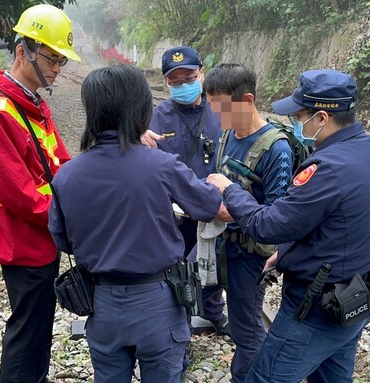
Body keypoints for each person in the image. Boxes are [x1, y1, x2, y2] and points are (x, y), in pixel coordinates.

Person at [207, 69, 370, 383]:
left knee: (266, 378)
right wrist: (288, 251)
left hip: (318, 308)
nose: (295, 121)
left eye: (299, 114)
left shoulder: (327, 168)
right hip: (359, 296)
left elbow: (268, 226)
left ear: (322, 118)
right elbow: (341, 221)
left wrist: (230, 189)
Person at [48, 65, 222, 383]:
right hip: (159, 301)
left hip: (101, 303)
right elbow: (208, 205)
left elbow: (62, 240)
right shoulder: (162, 165)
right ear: (141, 110)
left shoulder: (67, 175)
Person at [0, 4, 80, 382]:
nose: (57, 69)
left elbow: (60, 162)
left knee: (39, 323)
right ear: (22, 51)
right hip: (22, 241)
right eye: (51, 58)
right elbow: (19, 194)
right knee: (28, 330)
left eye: (61, 60)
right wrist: (71, 215)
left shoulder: (31, 103)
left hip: (41, 237)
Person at [204, 63, 294, 383]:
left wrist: (228, 211)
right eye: (213, 109)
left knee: (246, 329)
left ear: (247, 100)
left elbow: (278, 216)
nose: (218, 118)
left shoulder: (276, 149)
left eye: (223, 109)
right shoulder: (227, 135)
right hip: (220, 243)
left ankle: (247, 377)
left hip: (249, 255)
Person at [142, 46, 230, 337]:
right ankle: (179, 330)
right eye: (175, 82)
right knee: (177, 274)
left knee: (213, 265)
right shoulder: (156, 117)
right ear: (166, 83)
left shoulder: (221, 109)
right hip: (176, 213)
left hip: (216, 208)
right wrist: (138, 137)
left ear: (202, 74)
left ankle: (213, 313)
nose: (183, 86)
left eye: (189, 78)